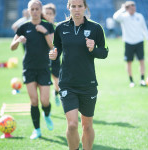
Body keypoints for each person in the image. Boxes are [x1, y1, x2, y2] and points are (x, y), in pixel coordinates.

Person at [49, 0, 108, 149]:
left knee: (87, 126)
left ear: (85, 7)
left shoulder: (95, 28)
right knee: (73, 124)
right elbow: (57, 49)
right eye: (73, 6)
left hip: (88, 84)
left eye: (80, 6)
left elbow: (104, 52)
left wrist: (93, 49)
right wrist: (53, 56)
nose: (76, 9)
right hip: (67, 83)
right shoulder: (60, 28)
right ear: (68, 7)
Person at [10, 0, 54, 139]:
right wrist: (18, 41)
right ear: (28, 11)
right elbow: (12, 47)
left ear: (40, 10)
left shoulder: (48, 26)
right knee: (34, 101)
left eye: (37, 9)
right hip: (29, 68)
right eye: (32, 9)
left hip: (44, 68)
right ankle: (37, 130)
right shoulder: (23, 27)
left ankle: (46, 114)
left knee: (45, 101)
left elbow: (53, 46)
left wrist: (45, 32)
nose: (34, 11)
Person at [113, 1, 148, 87]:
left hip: (139, 41)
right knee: (129, 62)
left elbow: (144, 29)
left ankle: (142, 80)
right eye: (130, 6)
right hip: (128, 42)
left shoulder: (139, 16)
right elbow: (115, 17)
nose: (133, 8)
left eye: (134, 6)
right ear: (127, 8)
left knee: (142, 61)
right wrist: (122, 9)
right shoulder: (124, 17)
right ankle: (131, 81)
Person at [43, 3, 61, 106]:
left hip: (54, 57)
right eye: (46, 13)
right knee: (43, 83)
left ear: (54, 14)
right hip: (42, 58)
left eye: (50, 13)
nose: (48, 15)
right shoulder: (39, 26)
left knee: (57, 82)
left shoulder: (58, 26)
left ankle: (56, 93)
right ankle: (45, 105)